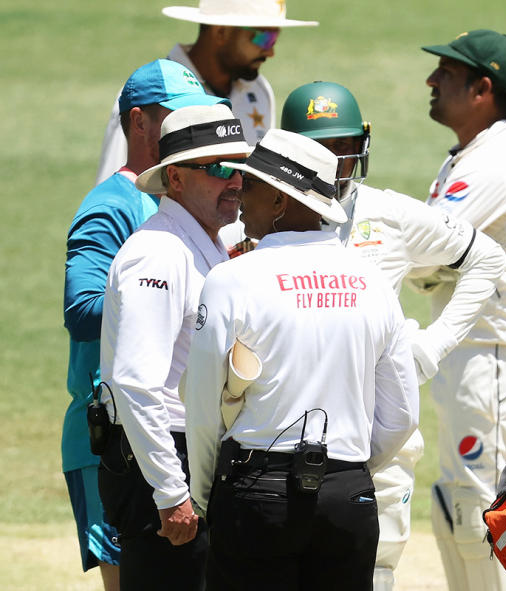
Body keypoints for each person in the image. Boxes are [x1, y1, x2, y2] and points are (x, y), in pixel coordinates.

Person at [280, 81, 506, 590]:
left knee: (372, 575)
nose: (336, 163)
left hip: (378, 443)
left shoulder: (386, 213)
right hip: (284, 439)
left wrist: (429, 348)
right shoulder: (260, 219)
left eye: (344, 148)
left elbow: (486, 258)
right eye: (322, 150)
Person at [183, 129, 419, 590]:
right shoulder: (373, 284)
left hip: (255, 492)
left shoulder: (231, 279)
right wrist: (347, 472)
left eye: (249, 184)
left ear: (278, 201)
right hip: (348, 496)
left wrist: (207, 492)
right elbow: (402, 415)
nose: (238, 191)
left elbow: (201, 408)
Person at [62, 59, 228, 591]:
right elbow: (81, 307)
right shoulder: (111, 207)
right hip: (119, 435)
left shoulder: (191, 211)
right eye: (177, 117)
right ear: (139, 122)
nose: (188, 130)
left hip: (164, 433)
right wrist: (158, 302)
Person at [419, 29, 506, 591]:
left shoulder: (495, 163)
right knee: (461, 511)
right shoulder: (477, 155)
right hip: (480, 363)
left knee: (488, 520)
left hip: (497, 368)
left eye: (446, 75)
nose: (431, 81)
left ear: (483, 88)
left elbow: (424, 252)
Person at [97, 103, 251, 590]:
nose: (236, 182)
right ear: (177, 179)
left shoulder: (196, 245)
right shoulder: (159, 255)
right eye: (219, 168)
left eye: (240, 168)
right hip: (162, 464)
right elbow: (135, 383)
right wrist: (170, 492)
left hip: (187, 456)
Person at [95, 0, 317, 184]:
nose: (271, 51)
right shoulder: (148, 98)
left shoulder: (259, 91)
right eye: (263, 37)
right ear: (221, 32)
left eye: (275, 37)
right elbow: (116, 185)